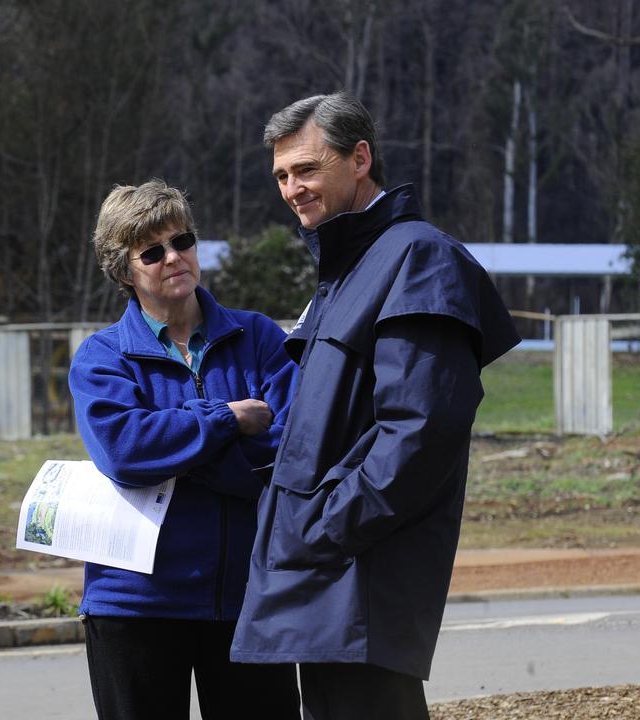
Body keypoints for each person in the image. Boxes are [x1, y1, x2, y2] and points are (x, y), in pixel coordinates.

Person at [229, 93, 521, 719]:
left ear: (360, 158)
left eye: (306, 169)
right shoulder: (348, 268)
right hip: (322, 580)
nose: (292, 189)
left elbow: (421, 432)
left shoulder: (418, 258)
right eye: (281, 175)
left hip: (360, 581)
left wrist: (324, 524)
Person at [69, 179, 301, 720]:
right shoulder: (102, 358)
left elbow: (291, 447)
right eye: (152, 251)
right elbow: (125, 452)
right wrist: (226, 418)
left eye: (184, 240)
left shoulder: (260, 338)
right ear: (124, 270)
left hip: (246, 600)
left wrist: (176, 457)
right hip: (133, 607)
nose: (174, 257)